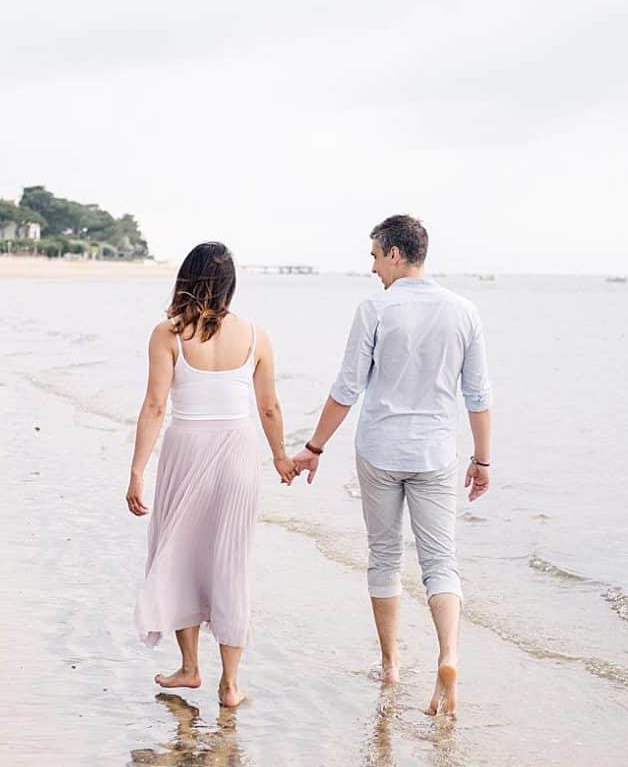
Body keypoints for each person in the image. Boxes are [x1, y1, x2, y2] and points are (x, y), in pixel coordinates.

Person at [292, 215, 492, 716]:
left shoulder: (376, 309)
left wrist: (314, 447)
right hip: (435, 453)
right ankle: (448, 657)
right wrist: (482, 460)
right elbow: (478, 396)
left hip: (380, 449)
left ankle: (391, 665)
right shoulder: (464, 311)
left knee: (384, 557)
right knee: (440, 563)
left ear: (396, 254)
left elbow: (346, 387)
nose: (374, 267)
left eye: (376, 256)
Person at [128, 241, 298, 708]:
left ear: (185, 276)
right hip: (239, 454)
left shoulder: (169, 334)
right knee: (231, 561)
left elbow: (155, 405)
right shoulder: (256, 336)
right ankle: (231, 683)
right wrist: (281, 457)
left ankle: (189, 667)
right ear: (229, 284)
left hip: (187, 449)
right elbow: (269, 406)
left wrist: (137, 470)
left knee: (179, 552)